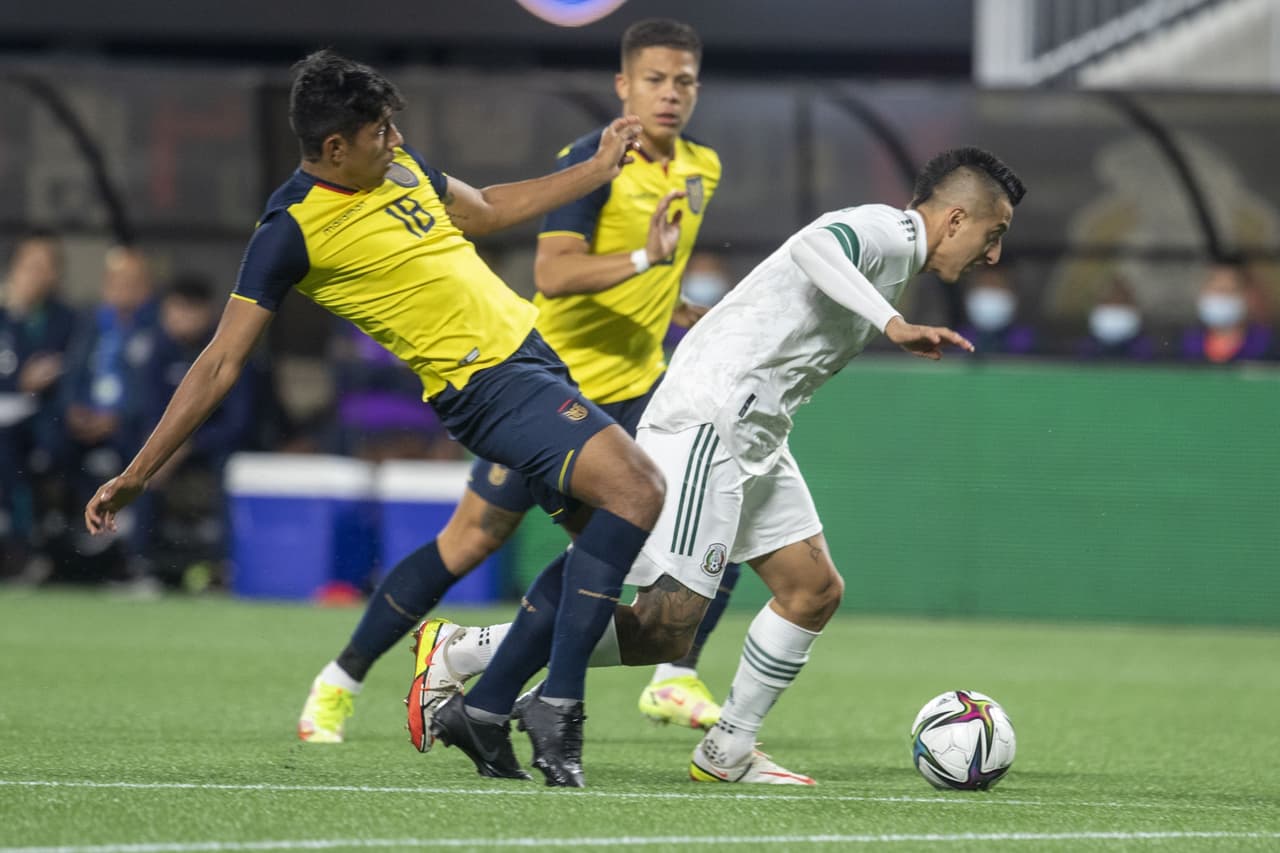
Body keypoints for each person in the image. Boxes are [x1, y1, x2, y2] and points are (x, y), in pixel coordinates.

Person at [84, 50, 665, 773]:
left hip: (534, 358)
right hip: (484, 386)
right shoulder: (289, 229)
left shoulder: (395, 165)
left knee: (614, 550)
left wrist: (595, 170)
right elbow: (220, 360)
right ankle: (556, 702)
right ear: (334, 148)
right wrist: (143, 468)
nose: (394, 140)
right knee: (636, 488)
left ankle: (485, 710)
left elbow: (484, 208)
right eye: (380, 132)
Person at [415, 146, 1025, 786]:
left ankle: (728, 749)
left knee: (811, 591)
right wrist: (893, 323)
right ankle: (463, 650)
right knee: (664, 628)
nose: (993, 255)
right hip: (711, 421)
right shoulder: (888, 230)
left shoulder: (900, 258)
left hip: (757, 431)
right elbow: (815, 248)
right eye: (994, 234)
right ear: (955, 219)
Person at [300, 18, 732, 746]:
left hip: (647, 386)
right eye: (654, 80)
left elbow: (656, 269)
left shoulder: (702, 167)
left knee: (711, 534)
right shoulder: (593, 162)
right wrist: (641, 266)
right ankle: (340, 680)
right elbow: (554, 274)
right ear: (623, 85)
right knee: (469, 540)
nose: (670, 95)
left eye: (683, 80)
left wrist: (674, 302)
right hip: (552, 391)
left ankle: (670, 674)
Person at [0, 229, 76, 576]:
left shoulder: (67, 318)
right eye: (31, 266)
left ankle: (28, 546)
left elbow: (76, 365)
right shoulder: (6, 314)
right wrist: (19, 380)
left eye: (47, 267)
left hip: (44, 415)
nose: (39, 274)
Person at [1180, 264, 1274, 363]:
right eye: (1216, 290)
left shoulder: (1267, 345)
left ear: (1247, 297)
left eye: (1229, 290)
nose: (1221, 297)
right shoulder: (1188, 344)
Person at [1075, 275, 1159, 360]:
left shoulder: (1130, 302)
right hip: (1099, 343)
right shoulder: (1101, 304)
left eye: (1120, 296)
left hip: (1131, 342)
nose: (1116, 298)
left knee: (1144, 347)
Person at [958, 266, 1036, 356]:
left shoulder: (1026, 341)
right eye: (984, 286)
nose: (989, 295)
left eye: (996, 286)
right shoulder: (957, 340)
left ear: (1013, 295)